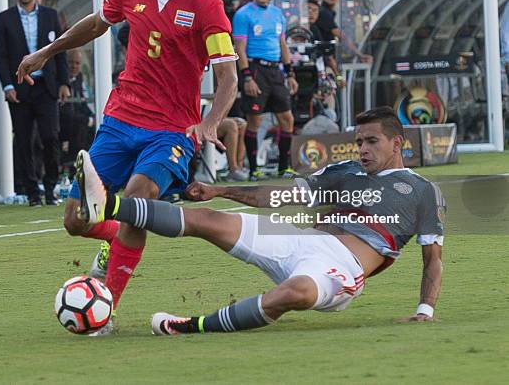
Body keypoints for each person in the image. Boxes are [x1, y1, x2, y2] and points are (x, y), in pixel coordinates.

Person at [16, 0, 238, 325]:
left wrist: (210, 122)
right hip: (120, 121)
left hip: (170, 131)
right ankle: (115, 239)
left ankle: (105, 310)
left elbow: (228, 78)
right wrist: (46, 52)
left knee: (137, 202)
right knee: (75, 220)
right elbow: (98, 23)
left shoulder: (207, 5)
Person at [73, 106, 445, 335]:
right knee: (207, 220)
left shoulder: (423, 192)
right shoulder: (344, 171)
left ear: (397, 143)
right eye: (360, 141)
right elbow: (281, 196)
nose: (362, 149)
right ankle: (107, 206)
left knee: (294, 293)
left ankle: (190, 325)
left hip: (339, 267)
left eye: (372, 142)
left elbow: (433, 259)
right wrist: (221, 192)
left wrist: (424, 311)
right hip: (299, 239)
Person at [0, 0, 69, 207]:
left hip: (46, 87)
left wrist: (64, 82)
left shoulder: (50, 16)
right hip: (19, 88)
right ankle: (31, 192)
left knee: (50, 137)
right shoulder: (4, 19)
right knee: (24, 141)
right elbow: (1, 56)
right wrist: (7, 85)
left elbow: (60, 50)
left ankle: (50, 187)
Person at [232, 0, 299, 181]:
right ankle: (254, 170)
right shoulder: (243, 15)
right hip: (255, 69)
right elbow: (240, 49)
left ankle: (283, 167)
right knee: (255, 120)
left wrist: (290, 74)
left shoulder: (278, 14)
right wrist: (246, 78)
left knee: (287, 119)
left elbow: (283, 45)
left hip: (275, 71)